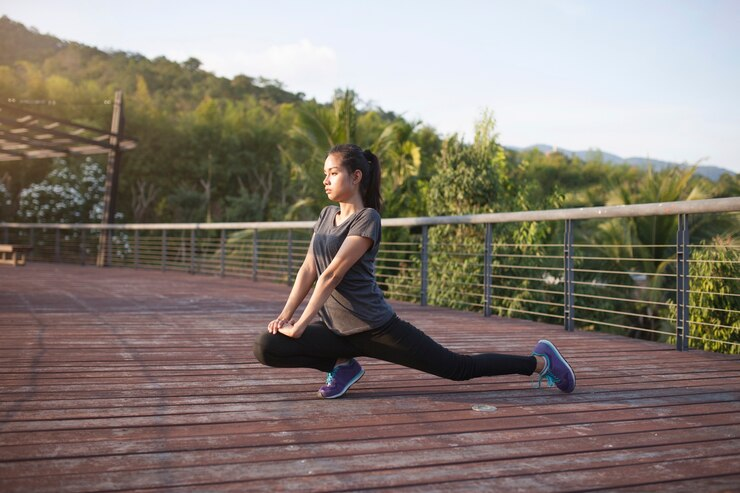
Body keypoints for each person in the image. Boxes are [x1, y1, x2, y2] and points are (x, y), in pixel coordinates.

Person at [253, 144, 576, 399]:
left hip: (376, 328)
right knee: (268, 345)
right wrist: (286, 317)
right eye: (324, 173)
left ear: (355, 177)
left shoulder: (367, 219)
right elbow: (309, 268)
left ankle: (541, 362)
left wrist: (301, 325)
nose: (325, 180)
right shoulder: (326, 215)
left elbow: (332, 274)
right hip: (338, 333)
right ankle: (343, 365)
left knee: (457, 368)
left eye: (333, 173)